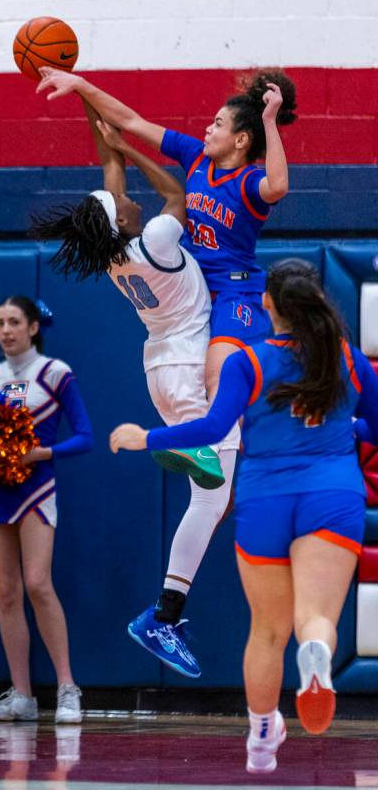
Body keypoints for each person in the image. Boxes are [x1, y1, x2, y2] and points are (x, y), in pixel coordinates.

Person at [109, 258, 378, 772]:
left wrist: (147, 438)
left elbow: (210, 430)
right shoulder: (345, 358)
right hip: (332, 495)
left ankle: (260, 735)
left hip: (265, 500)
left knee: (267, 629)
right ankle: (316, 653)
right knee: (314, 617)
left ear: (268, 304)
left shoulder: (246, 363)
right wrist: (351, 430)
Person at [29, 102, 239, 678]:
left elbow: (109, 188)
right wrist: (133, 152)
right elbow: (176, 195)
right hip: (194, 364)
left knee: (213, 502)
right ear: (120, 220)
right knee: (213, 497)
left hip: (158, 369)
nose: (127, 199)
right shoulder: (158, 242)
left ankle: (168, 603)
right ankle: (164, 614)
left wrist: (103, 138)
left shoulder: (115, 252)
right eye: (122, 204)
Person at [35, 66, 297, 410]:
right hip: (195, 287)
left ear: (241, 139)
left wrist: (269, 120)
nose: (208, 127)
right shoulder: (196, 158)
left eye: (217, 123)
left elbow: (277, 185)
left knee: (217, 376)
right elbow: (130, 120)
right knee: (213, 392)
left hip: (235, 292)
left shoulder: (248, 182)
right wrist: (82, 85)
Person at [0, 297, 93, 723]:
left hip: (36, 488)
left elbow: (85, 436)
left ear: (34, 327)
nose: (6, 330)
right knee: (6, 593)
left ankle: (66, 688)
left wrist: (43, 453)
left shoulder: (55, 373)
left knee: (38, 583)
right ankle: (21, 695)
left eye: (15, 322)